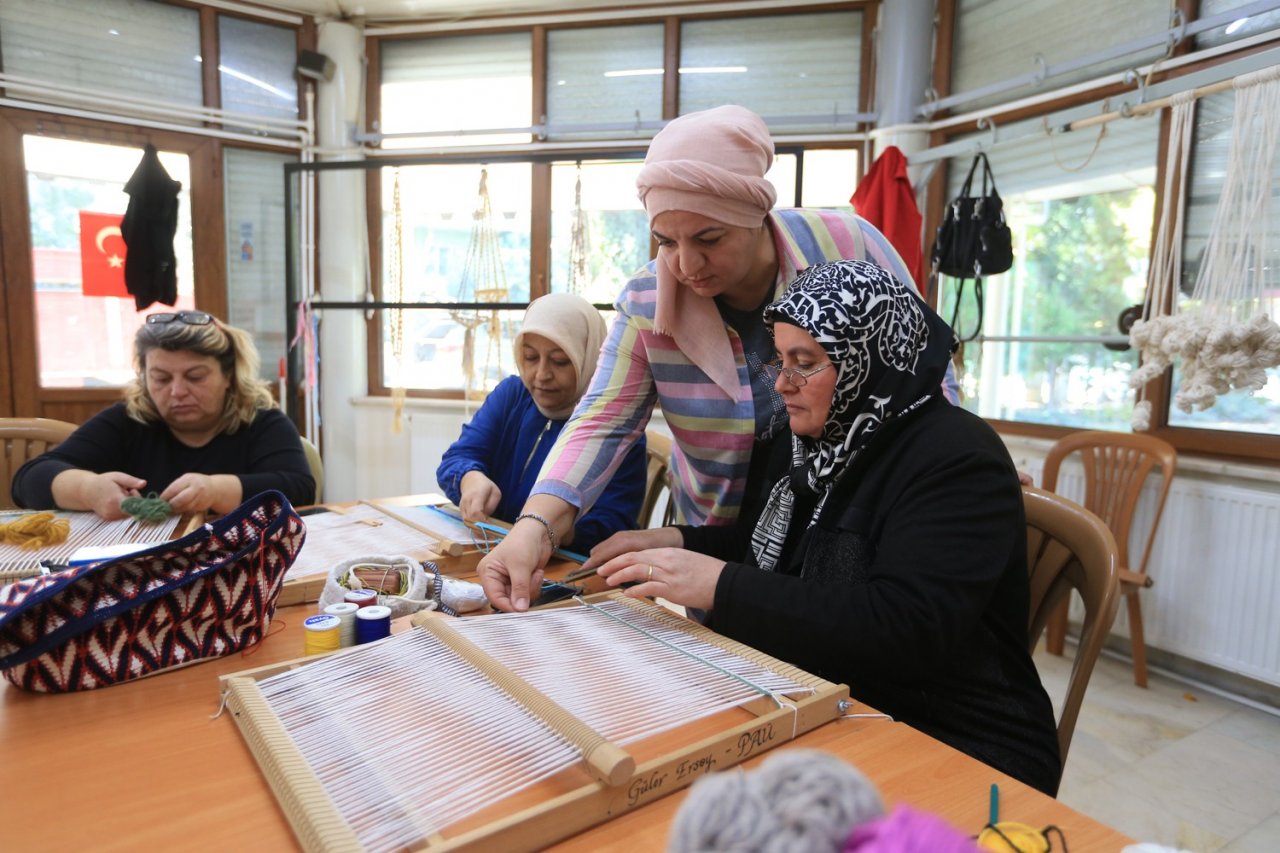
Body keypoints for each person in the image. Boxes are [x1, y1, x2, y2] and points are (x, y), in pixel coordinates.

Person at [592, 259, 1062, 796]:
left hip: (952, 738)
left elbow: (904, 629)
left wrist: (720, 584)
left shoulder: (956, 458)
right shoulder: (807, 437)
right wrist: (674, 540)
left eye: (805, 362)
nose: (784, 384)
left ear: (867, 356)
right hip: (827, 696)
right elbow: (765, 547)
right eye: (781, 360)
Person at [478, 104, 958, 612]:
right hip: (720, 544)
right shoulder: (647, 301)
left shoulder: (845, 247)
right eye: (666, 241)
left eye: (709, 238)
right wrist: (534, 528)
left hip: (850, 541)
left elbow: (922, 373)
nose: (686, 264)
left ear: (755, 217)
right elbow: (602, 420)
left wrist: (950, 456)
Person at [11, 310, 315, 518]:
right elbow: (29, 479)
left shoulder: (262, 422)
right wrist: (88, 489)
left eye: (195, 377)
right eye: (161, 378)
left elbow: (299, 490)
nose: (177, 391)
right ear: (145, 378)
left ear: (229, 376)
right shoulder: (127, 421)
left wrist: (213, 491)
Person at [435, 293, 646, 551]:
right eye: (531, 358)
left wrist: (547, 530)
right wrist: (470, 478)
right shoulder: (512, 395)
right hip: (492, 548)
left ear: (589, 358)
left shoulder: (614, 424)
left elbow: (612, 523)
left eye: (559, 361)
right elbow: (457, 457)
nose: (542, 375)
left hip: (563, 563)